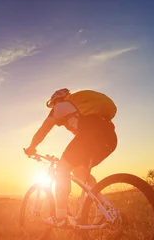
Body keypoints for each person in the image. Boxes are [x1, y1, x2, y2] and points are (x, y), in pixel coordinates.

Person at [24, 88, 118, 227]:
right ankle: (105, 210)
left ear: (56, 101)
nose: (54, 107)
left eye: (53, 103)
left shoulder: (60, 107)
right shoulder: (80, 109)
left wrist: (31, 147)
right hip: (109, 138)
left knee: (62, 167)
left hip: (91, 135)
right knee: (80, 172)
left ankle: (61, 217)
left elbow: (43, 130)